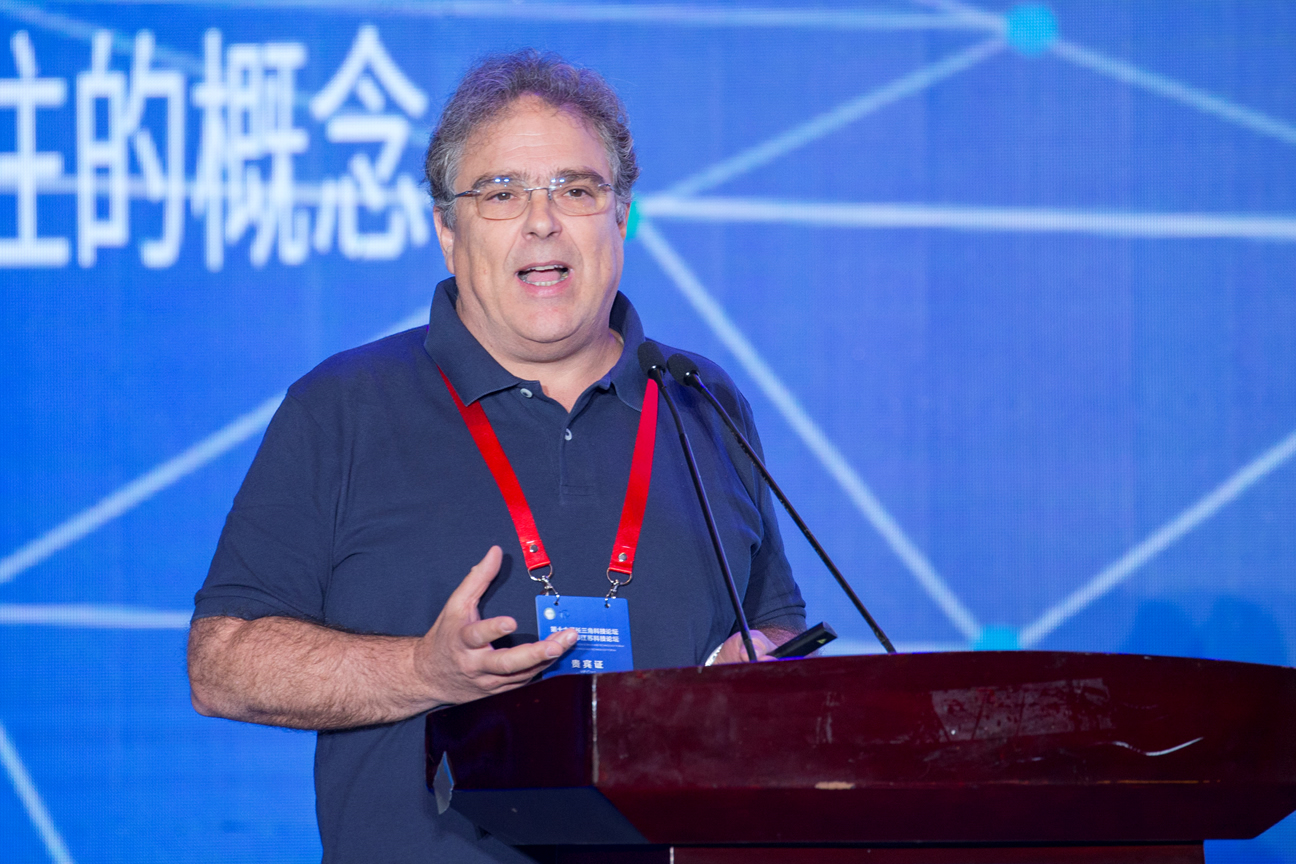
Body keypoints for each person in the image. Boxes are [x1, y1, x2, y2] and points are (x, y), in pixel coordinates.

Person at [187, 50, 806, 863]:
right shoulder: (343, 406)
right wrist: (421, 670)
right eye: (502, 193)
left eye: (576, 190)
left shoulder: (700, 398)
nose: (542, 221)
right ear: (447, 230)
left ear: (621, 215)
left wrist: (757, 670)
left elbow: (772, 625)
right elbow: (222, 664)